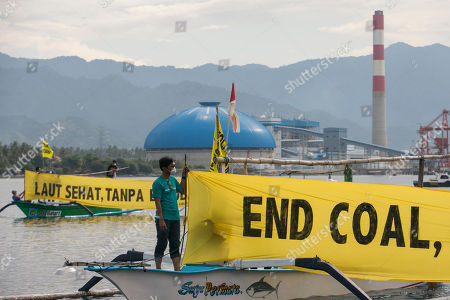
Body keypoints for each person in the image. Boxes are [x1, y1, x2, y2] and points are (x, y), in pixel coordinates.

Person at [152, 157, 188, 271]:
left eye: (174, 166)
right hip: (163, 218)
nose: (173, 168)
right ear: (164, 168)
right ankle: (158, 269)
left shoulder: (172, 180)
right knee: (162, 243)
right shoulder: (158, 183)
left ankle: (177, 270)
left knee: (175, 243)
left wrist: (184, 176)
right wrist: (161, 219)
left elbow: (182, 190)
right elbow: (157, 202)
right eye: (171, 166)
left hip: (175, 217)